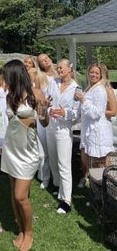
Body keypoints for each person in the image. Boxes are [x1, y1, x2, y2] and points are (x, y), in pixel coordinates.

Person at [0, 59, 48, 251]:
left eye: (7, 76)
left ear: (15, 75)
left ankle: (29, 233)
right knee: (14, 194)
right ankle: (20, 229)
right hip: (11, 148)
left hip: (27, 152)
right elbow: (11, 125)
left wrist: (43, 109)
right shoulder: (9, 96)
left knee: (21, 196)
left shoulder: (36, 94)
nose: (4, 80)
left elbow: (44, 123)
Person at [46, 59, 79, 214]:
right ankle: (59, 187)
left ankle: (66, 200)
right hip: (51, 125)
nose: (58, 70)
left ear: (69, 69)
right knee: (52, 158)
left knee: (64, 164)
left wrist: (65, 113)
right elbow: (48, 99)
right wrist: (48, 106)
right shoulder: (54, 82)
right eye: (57, 68)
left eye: (60, 68)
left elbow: (78, 112)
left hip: (64, 129)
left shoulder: (76, 88)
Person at [75, 63, 115, 186]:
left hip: (98, 131)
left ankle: (105, 192)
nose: (93, 74)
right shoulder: (89, 87)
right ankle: (97, 193)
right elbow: (84, 110)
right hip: (89, 131)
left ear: (101, 75)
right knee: (93, 164)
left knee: (100, 164)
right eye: (91, 72)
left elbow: (97, 113)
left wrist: (84, 101)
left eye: (96, 73)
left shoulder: (100, 89)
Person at [35, 53, 58, 189]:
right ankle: (44, 177)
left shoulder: (59, 74)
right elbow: (36, 94)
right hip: (44, 113)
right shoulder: (39, 77)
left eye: (46, 58)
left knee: (55, 148)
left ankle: (57, 179)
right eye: (42, 61)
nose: (45, 61)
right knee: (43, 148)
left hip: (57, 114)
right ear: (40, 64)